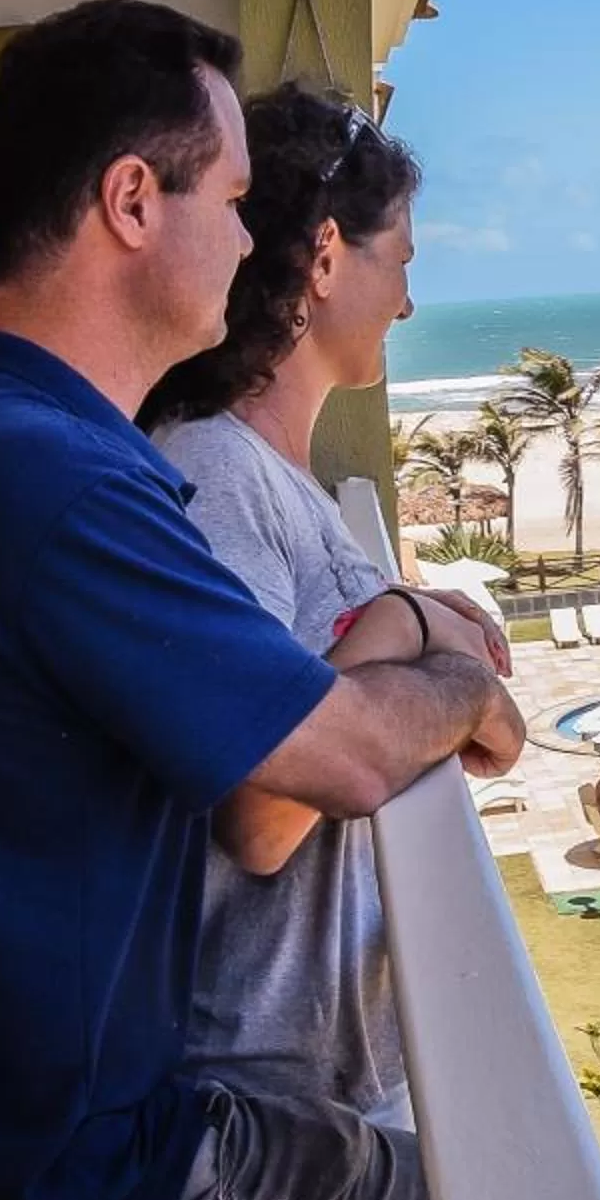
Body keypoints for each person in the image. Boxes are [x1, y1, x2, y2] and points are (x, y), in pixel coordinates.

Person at [0, 0, 518, 1200]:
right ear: (134, 201)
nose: (256, 243)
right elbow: (348, 760)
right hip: (45, 1175)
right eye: (237, 199)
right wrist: (451, 656)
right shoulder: (63, 478)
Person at [138, 85, 450, 1143]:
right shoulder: (214, 471)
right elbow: (261, 814)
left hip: (317, 1061)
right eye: (398, 261)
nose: (405, 302)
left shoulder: (272, 475)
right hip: (275, 1076)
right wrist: (403, 627)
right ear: (325, 258)